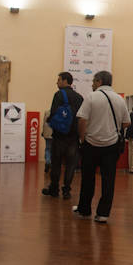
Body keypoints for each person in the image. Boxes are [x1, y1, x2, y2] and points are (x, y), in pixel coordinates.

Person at [74, 71, 130, 223]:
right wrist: (112, 128)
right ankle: (103, 213)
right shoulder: (119, 99)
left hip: (91, 144)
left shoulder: (91, 97)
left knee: (88, 178)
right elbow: (126, 123)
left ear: (99, 81)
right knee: (108, 180)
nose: (92, 84)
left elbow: (82, 120)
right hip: (111, 146)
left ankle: (84, 209)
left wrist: (82, 138)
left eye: (93, 81)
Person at [43, 72, 83, 200]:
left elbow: (53, 113)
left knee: (56, 163)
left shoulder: (59, 95)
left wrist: (50, 121)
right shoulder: (79, 97)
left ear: (65, 81)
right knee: (71, 164)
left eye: (59, 80)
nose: (57, 82)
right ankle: (66, 190)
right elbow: (82, 117)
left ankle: (54, 189)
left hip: (60, 135)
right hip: (73, 137)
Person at [41, 107, 53, 174]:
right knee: (54, 150)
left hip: (47, 133)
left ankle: (48, 162)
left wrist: (43, 132)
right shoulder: (58, 112)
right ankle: (52, 164)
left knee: (48, 148)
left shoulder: (47, 112)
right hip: (54, 134)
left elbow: (44, 123)